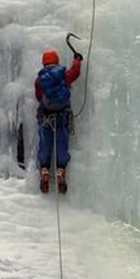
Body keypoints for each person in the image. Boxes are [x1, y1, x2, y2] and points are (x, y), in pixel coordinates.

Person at [35, 44, 83, 193]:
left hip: (46, 116)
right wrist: (77, 59)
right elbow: (75, 72)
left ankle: (44, 170)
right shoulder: (63, 76)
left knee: (45, 144)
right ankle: (60, 171)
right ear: (56, 61)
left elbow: (38, 97)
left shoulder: (40, 80)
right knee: (62, 144)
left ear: (44, 63)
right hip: (62, 116)